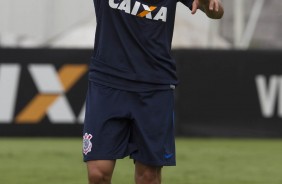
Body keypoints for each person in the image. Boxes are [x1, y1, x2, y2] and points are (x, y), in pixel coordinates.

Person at [82, 0, 224, 183]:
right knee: (98, 173)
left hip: (155, 86)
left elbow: (216, 12)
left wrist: (209, 4)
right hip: (107, 82)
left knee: (148, 177)